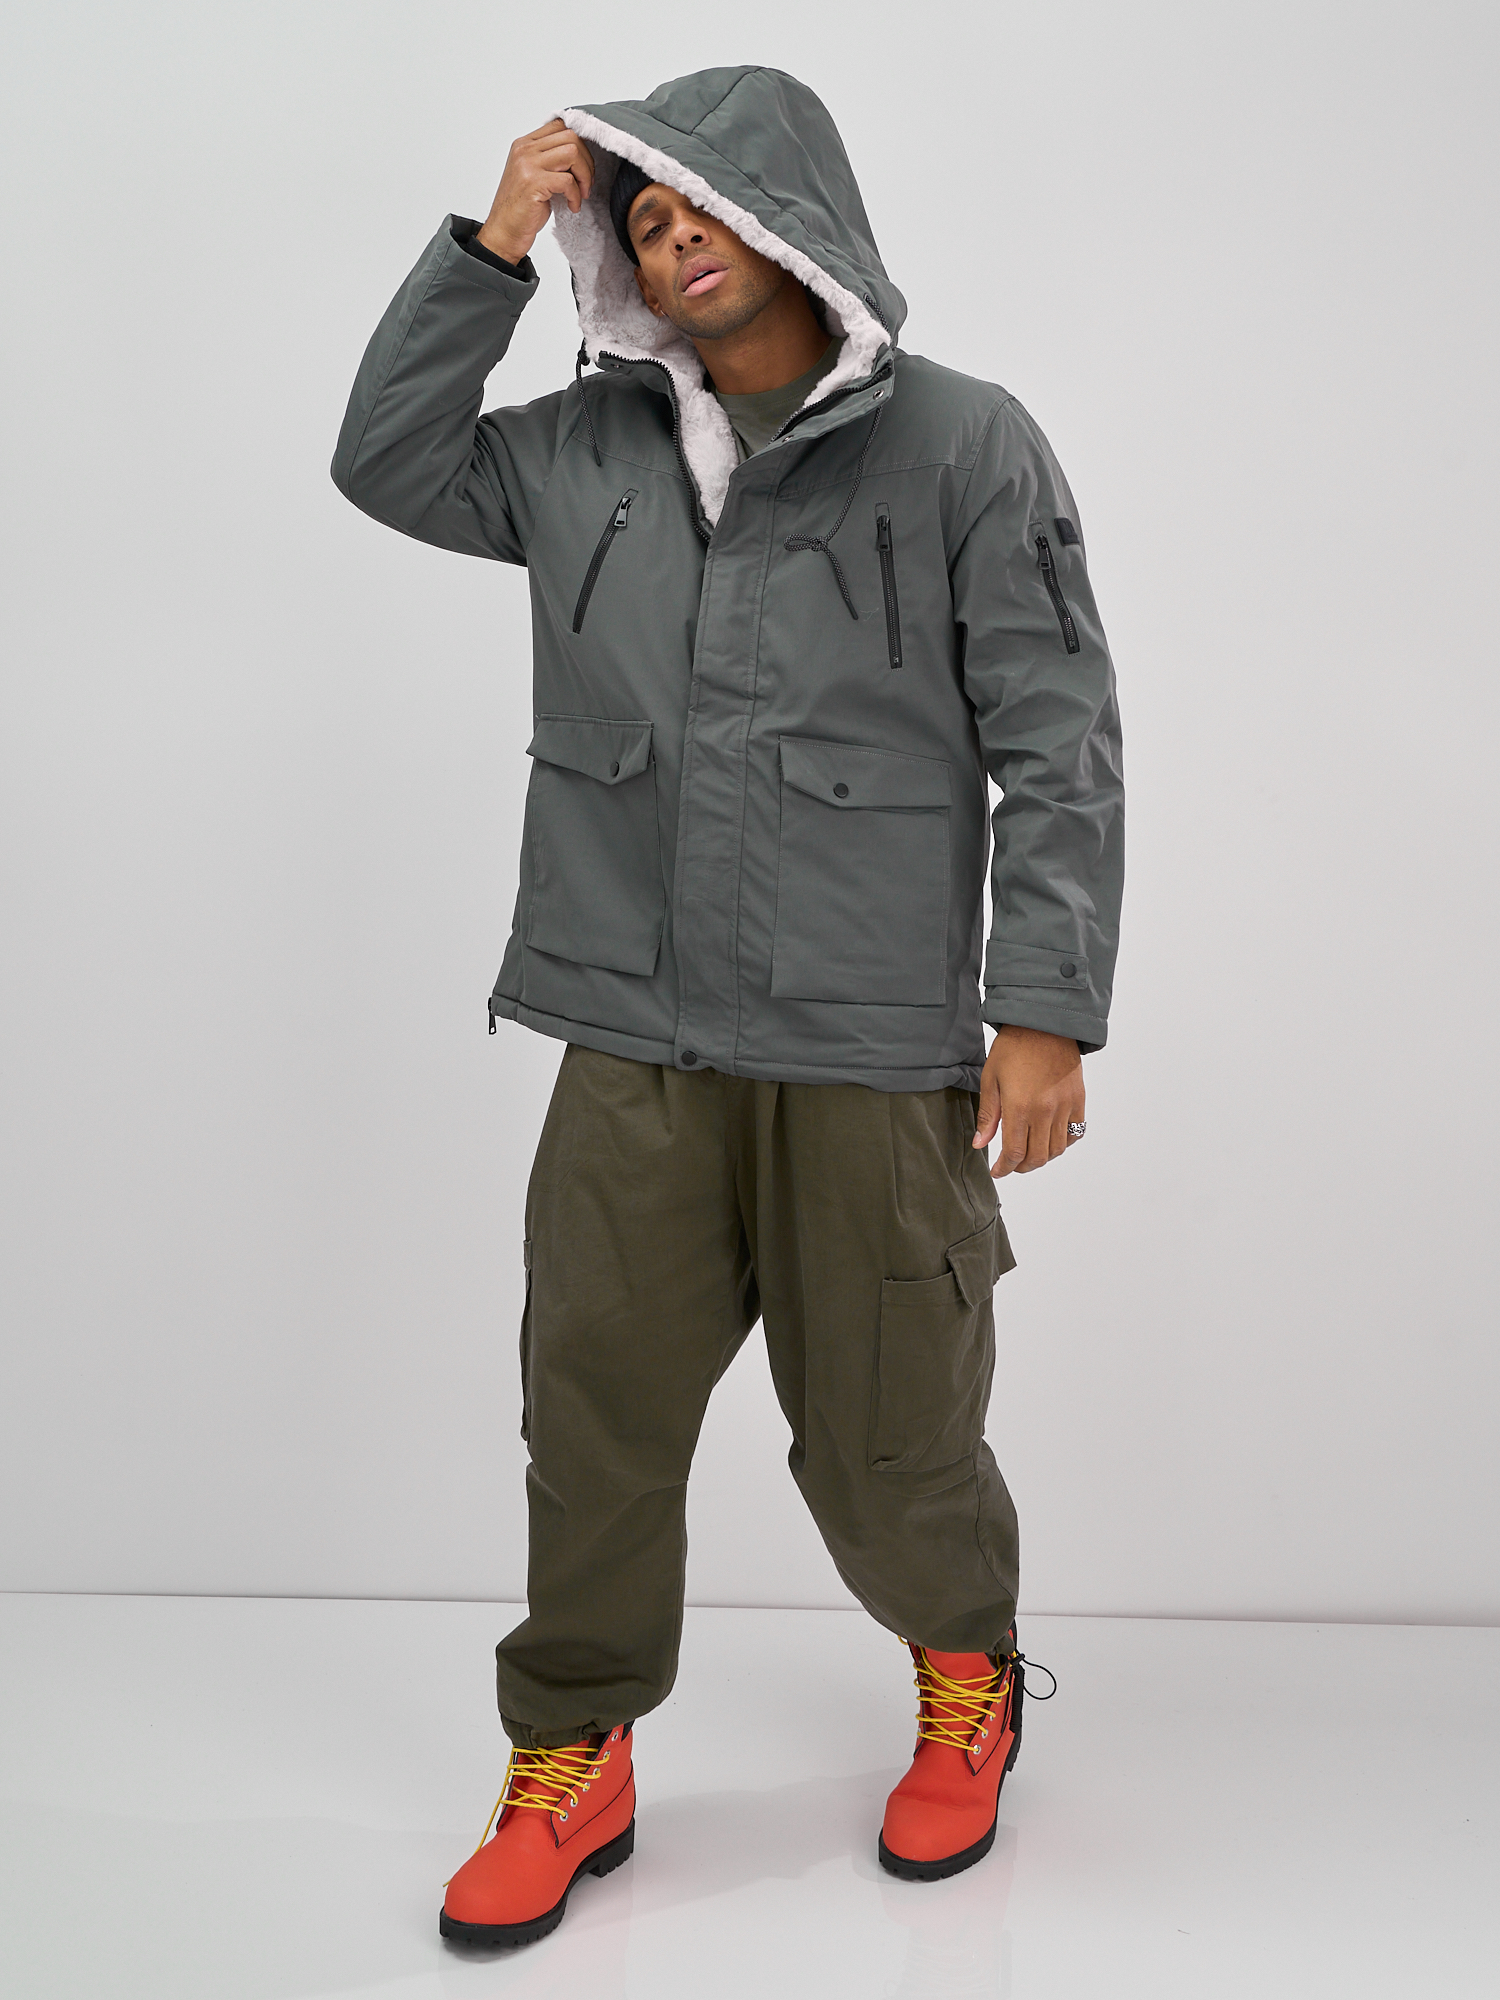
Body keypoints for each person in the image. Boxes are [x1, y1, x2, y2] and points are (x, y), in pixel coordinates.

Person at [332, 65, 1123, 1949]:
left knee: (887, 1429)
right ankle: (572, 1750)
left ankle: (968, 1674)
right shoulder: (578, 448)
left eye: (708, 211)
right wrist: (490, 248)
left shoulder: (964, 445)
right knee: (592, 1411)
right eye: (649, 220)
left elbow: (1058, 732)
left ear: (794, 221)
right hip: (632, 1031)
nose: (678, 244)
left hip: (868, 1039)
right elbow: (385, 461)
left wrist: (1044, 1007)